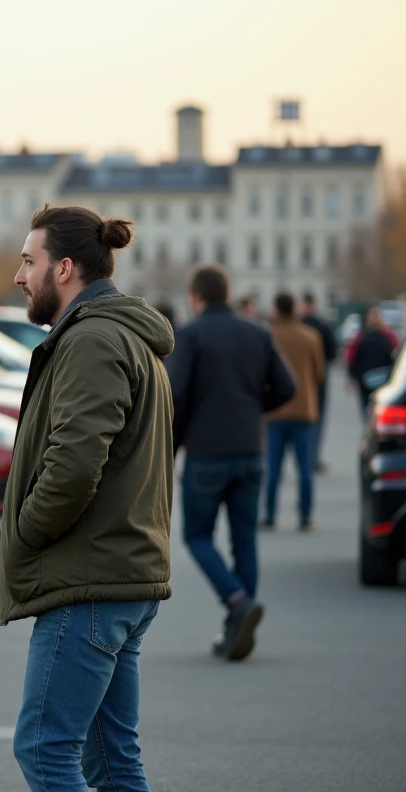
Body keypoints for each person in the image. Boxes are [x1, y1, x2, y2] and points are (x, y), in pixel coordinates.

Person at [0, 205, 174, 792]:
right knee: (110, 758)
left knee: (44, 749)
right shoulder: (114, 335)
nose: (19, 276)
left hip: (92, 582)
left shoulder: (94, 341)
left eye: (29, 261)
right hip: (117, 575)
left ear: (64, 268)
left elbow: (72, 468)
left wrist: (23, 533)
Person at [168, 266, 295, 661]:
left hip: (207, 454)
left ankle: (236, 601)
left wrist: (172, 449)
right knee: (245, 542)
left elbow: (176, 396)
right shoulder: (257, 331)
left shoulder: (190, 336)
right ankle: (238, 622)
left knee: (196, 536)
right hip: (251, 450)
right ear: (227, 293)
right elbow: (287, 388)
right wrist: (256, 409)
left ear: (196, 296)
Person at [264, 293, 326, 532]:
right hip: (304, 410)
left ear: (276, 310)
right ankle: (306, 515)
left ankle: (270, 514)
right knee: (305, 469)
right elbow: (319, 374)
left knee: (273, 468)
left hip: (275, 412)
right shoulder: (311, 337)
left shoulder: (268, 336)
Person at [300, 293, 338, 472]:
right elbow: (332, 354)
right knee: (317, 419)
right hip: (319, 377)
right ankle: (312, 458)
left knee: (302, 421)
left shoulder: (298, 325)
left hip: (299, 377)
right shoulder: (322, 326)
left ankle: (306, 458)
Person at [347, 307, 398, 416]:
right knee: (381, 406)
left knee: (366, 407)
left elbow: (353, 358)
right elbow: (395, 357)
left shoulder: (360, 339)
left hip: (365, 379)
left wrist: (352, 376)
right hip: (384, 378)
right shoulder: (389, 338)